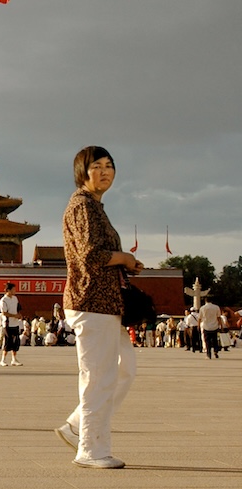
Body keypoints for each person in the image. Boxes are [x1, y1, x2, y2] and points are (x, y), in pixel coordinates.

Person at [56, 146, 143, 468]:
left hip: (107, 302)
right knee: (98, 377)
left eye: (110, 166)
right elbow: (90, 254)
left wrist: (126, 263)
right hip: (91, 301)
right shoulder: (82, 206)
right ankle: (91, 449)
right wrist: (125, 258)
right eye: (97, 166)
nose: (105, 171)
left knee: (123, 370)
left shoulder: (96, 206)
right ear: (82, 171)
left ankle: (77, 426)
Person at [0, 283, 23, 366]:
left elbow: (17, 308)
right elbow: (4, 313)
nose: (15, 291)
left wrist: (19, 315)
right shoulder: (3, 300)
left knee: (16, 342)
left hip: (15, 324)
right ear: (8, 290)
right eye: (13, 289)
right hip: (7, 324)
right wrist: (14, 316)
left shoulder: (15, 298)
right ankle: (3, 360)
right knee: (8, 342)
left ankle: (14, 359)